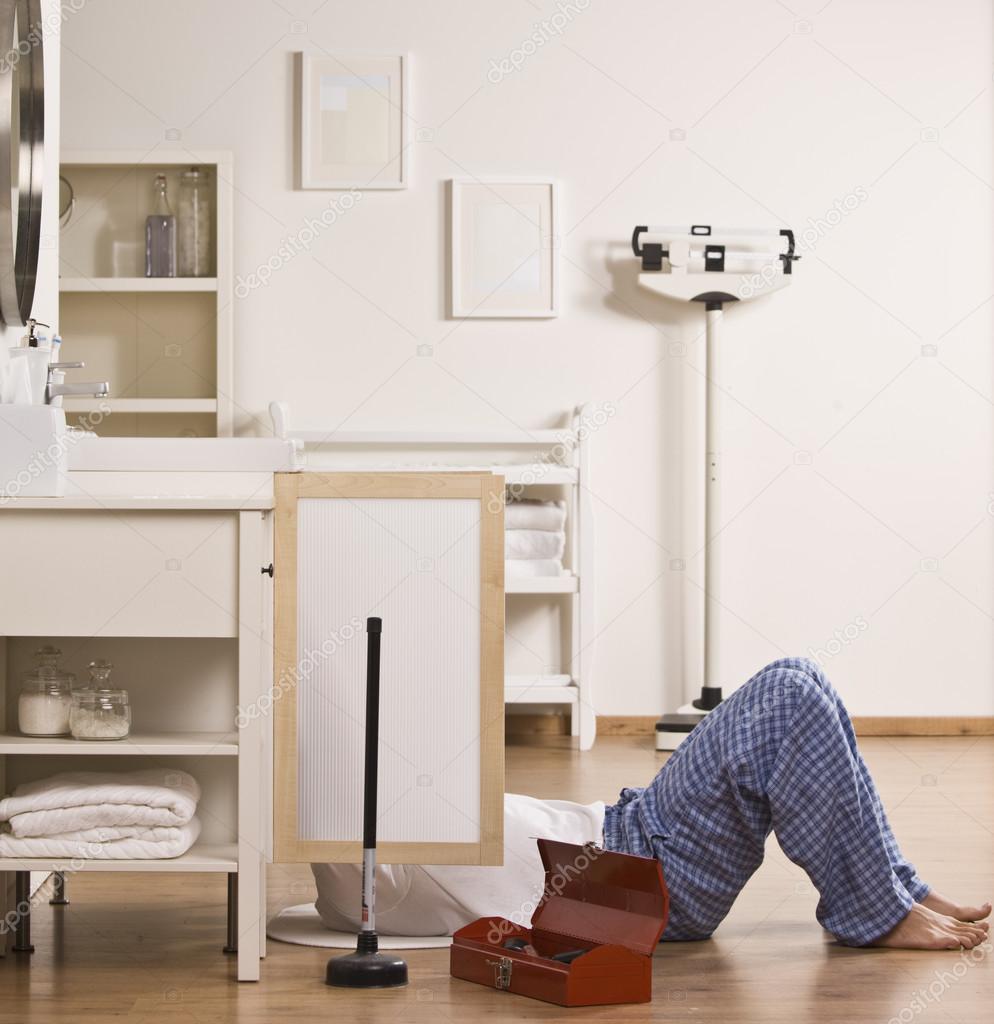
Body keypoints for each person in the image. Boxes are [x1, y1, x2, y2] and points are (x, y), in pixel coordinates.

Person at [312, 658, 990, 949]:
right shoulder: (368, 872)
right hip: (646, 878)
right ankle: (873, 913)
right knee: (790, 703)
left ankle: (895, 889)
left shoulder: (388, 828)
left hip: (631, 827)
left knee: (797, 675)